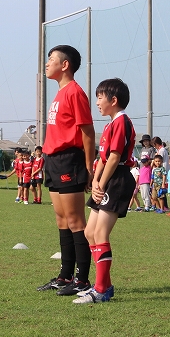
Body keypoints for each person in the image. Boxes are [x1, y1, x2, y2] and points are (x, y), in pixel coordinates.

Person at [37, 45, 96, 297]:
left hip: (69, 160)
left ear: (65, 65)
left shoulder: (74, 92)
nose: (47, 63)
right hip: (53, 159)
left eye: (51, 59)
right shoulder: (60, 93)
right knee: (61, 220)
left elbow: (88, 131)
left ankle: (82, 280)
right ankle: (65, 276)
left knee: (75, 221)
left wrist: (89, 166)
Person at [74, 78, 136, 304]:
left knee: (100, 234)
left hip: (118, 178)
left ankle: (100, 290)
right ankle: (105, 286)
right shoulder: (110, 125)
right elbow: (102, 158)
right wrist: (95, 180)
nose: (97, 102)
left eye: (100, 98)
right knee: (90, 232)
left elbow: (115, 157)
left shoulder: (122, 122)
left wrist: (102, 182)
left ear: (114, 100)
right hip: (107, 179)